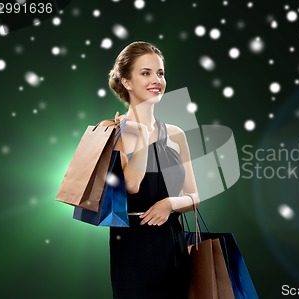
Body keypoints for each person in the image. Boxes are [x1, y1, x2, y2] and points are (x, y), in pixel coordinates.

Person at [107, 41, 200, 298]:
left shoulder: (177, 134)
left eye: (159, 73)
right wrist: (141, 134)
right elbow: (133, 185)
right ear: (126, 82)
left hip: (173, 243)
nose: (156, 80)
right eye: (145, 73)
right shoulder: (114, 131)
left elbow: (194, 197)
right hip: (133, 245)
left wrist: (169, 203)